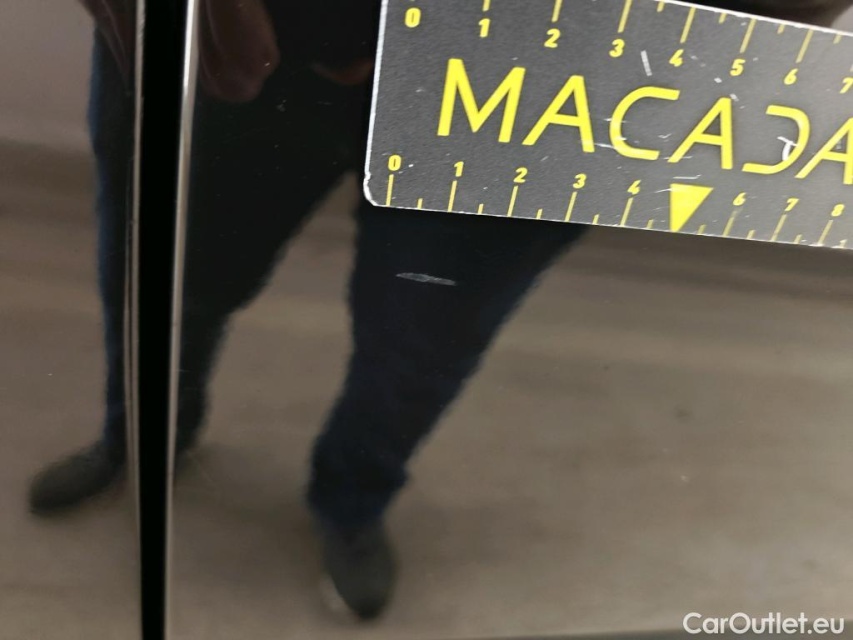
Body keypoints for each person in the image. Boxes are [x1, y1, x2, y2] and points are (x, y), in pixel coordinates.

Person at [29, 0, 853, 621]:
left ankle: (352, 501)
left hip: (546, 73)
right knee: (164, 278)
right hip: (264, 27)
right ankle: (141, 438)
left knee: (421, 345)